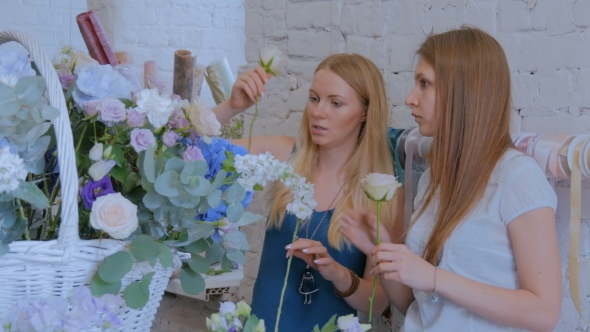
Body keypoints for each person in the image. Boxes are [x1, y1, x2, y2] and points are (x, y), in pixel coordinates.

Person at [340, 27, 562, 331]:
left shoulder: (517, 177)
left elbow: (544, 313)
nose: (409, 99)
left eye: (424, 84)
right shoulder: (434, 178)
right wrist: (382, 251)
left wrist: (433, 277)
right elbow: (418, 308)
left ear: (463, 92)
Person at [212, 53, 404, 331]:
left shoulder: (381, 194)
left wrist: (336, 273)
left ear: (365, 112)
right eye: (314, 98)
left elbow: (377, 303)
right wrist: (231, 106)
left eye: (335, 103)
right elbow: (193, 154)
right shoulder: (284, 155)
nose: (318, 112)